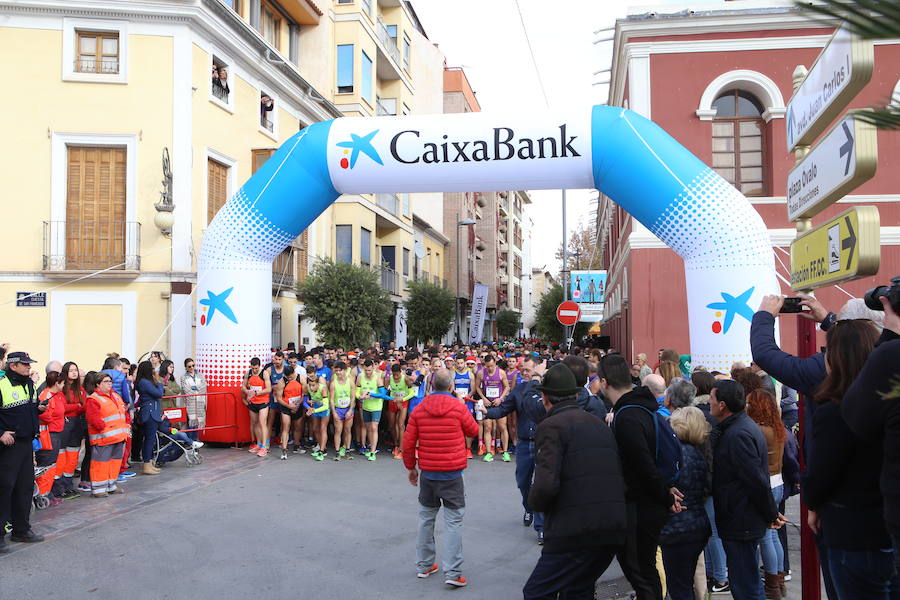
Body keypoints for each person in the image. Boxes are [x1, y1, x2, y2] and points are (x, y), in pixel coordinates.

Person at [805, 318, 899, 598]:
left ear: (836, 357)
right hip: (888, 528)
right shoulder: (888, 404)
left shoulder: (834, 411)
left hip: (853, 532)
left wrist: (813, 502)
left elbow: (823, 472)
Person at [523, 363, 627, 599]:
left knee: (537, 591)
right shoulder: (598, 424)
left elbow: (545, 486)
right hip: (611, 526)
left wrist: (535, 504)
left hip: (575, 530)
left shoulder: (550, 426)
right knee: (578, 589)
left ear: (546, 398)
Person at [600, 354, 682, 600]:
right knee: (643, 569)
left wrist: (665, 496)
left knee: (640, 570)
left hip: (640, 506)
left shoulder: (628, 416)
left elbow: (643, 465)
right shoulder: (641, 407)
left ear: (604, 382)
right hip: (649, 501)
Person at [402, 368, 479, 588]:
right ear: (451, 386)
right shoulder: (458, 406)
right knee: (453, 522)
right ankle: (453, 572)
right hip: (452, 474)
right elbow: (473, 430)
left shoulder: (420, 408)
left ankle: (424, 565)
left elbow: (408, 443)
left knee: (426, 518)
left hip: (428, 473)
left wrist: (411, 468)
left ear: (431, 386)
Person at [709, 379, 785, 600]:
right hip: (740, 516)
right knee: (746, 581)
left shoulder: (738, 433)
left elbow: (756, 481)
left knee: (746, 586)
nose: (709, 403)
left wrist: (770, 513)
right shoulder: (737, 428)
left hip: (741, 519)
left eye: (712, 399)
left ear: (722, 405)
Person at [485, 355, 548, 543]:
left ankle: (541, 526)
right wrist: (485, 412)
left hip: (543, 442)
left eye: (528, 370)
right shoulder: (519, 390)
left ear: (538, 370)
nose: (524, 374)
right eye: (523, 371)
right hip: (523, 442)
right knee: (522, 481)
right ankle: (529, 507)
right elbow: (504, 409)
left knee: (540, 484)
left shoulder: (547, 389)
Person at [659, 407, 712, 600]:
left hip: (676, 528)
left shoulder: (675, 454)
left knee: (678, 586)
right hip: (696, 525)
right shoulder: (699, 455)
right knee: (684, 582)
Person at [0, 351, 45, 551]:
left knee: (25, 488)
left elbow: (29, 410)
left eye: (29, 364)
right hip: (8, 446)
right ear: (13, 366)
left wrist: (39, 410)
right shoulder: (1, 384)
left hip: (26, 443)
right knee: (4, 489)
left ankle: (21, 530)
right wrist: (0, 433)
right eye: (25, 364)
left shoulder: (29, 384)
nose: (29, 367)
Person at [745, 389, 787, 598]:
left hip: (767, 485)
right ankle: (778, 580)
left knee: (765, 537)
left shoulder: (758, 430)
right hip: (777, 483)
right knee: (773, 534)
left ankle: (772, 584)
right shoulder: (777, 427)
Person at [85, 372, 129, 497]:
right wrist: (103, 428)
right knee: (100, 464)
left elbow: (123, 412)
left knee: (114, 463)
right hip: (103, 438)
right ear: (98, 384)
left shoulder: (115, 396)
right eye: (106, 381)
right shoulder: (94, 399)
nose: (109, 383)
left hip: (117, 437)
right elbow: (92, 418)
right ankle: (99, 489)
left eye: (110, 381)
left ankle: (111, 485)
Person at [35, 371, 66, 506]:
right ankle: (42, 494)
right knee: (46, 464)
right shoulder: (47, 395)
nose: (64, 385)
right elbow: (44, 415)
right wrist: (53, 418)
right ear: (57, 383)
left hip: (55, 433)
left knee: (51, 464)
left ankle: (46, 492)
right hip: (48, 434)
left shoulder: (56, 395)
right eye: (63, 383)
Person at [56, 361, 86, 499]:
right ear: (65, 372)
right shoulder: (61, 387)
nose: (75, 373)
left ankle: (68, 486)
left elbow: (84, 405)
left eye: (76, 370)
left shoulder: (80, 389)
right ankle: (58, 488)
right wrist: (76, 406)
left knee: (73, 455)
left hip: (77, 424)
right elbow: (62, 407)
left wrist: (74, 406)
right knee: (61, 456)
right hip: (65, 424)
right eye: (71, 370)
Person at [474, 354, 510, 462]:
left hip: (499, 403)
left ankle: (505, 452)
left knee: (502, 427)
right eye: (487, 366)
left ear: (495, 363)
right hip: (488, 404)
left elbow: (507, 387)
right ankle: (489, 452)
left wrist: (501, 398)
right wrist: (483, 398)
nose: (489, 368)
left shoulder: (501, 373)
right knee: (488, 428)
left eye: (491, 366)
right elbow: (477, 387)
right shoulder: (481, 373)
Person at [134, 361, 164, 475]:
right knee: (149, 440)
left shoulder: (146, 381)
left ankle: (150, 463)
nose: (153, 371)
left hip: (152, 412)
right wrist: (159, 383)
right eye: (151, 369)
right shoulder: (144, 382)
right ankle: (146, 464)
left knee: (151, 440)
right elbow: (159, 393)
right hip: (149, 413)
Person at [242, 357, 272, 457]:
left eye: (256, 368)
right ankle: (258, 444)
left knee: (262, 422)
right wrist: (248, 392)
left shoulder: (264, 373)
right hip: (253, 402)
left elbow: (269, 389)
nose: (254, 370)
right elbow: (243, 386)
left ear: (259, 366)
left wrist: (256, 392)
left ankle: (264, 447)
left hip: (263, 402)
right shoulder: (248, 373)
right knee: (255, 423)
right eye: (253, 368)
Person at [274, 365, 303, 460]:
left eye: (291, 376)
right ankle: (284, 450)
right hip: (286, 406)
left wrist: (298, 404)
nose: (289, 378)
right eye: (288, 377)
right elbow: (278, 398)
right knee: (286, 426)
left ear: (294, 372)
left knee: (298, 426)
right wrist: (289, 406)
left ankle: (296, 445)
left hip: (298, 405)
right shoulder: (281, 382)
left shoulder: (301, 378)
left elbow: (305, 393)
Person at [302, 366, 330, 461]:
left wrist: (313, 410)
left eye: (313, 385)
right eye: (310, 385)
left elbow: (326, 406)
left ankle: (322, 451)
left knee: (323, 428)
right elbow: (304, 401)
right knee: (315, 428)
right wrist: (309, 407)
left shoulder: (323, 388)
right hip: (315, 408)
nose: (311, 387)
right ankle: (322, 446)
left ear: (317, 383)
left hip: (323, 409)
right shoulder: (307, 387)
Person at [329, 361, 355, 461]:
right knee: (338, 431)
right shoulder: (333, 384)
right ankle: (337, 452)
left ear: (344, 371)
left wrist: (350, 410)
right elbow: (331, 399)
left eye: (340, 371)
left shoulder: (350, 381)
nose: (338, 373)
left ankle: (347, 450)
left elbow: (353, 397)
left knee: (348, 430)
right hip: (338, 409)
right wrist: (334, 412)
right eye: (337, 371)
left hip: (348, 409)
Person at [179, 358, 207, 441]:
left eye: (193, 365)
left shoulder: (200, 375)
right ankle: (190, 441)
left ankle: (195, 440)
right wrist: (196, 390)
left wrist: (194, 388)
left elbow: (204, 386)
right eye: (189, 366)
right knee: (191, 421)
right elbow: (186, 390)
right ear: (186, 368)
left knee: (199, 421)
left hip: (200, 401)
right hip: (190, 402)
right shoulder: (183, 377)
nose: (192, 368)